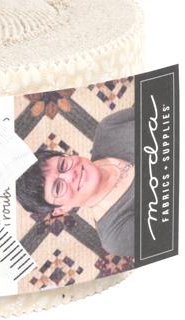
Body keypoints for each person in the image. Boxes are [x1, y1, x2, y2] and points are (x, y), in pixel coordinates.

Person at [16, 107, 135, 256]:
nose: (70, 174)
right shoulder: (116, 235)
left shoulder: (109, 128)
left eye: (63, 165)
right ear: (61, 210)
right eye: (58, 187)